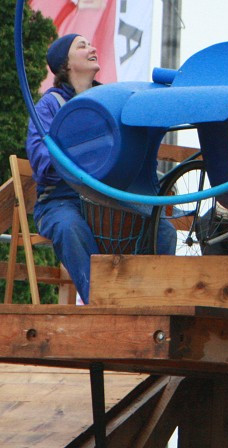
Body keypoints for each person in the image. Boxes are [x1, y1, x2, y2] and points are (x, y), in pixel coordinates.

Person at [26, 34, 177, 302]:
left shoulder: (109, 99)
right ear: (66, 64)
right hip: (61, 201)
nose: (92, 48)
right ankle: (102, 303)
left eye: (91, 44)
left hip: (106, 199)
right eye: (81, 46)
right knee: (70, 228)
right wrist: (83, 161)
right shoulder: (49, 105)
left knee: (163, 231)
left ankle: (149, 302)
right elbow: (40, 162)